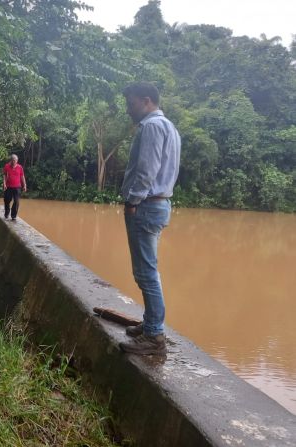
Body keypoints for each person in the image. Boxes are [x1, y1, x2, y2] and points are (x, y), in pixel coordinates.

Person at [118, 82, 181, 356]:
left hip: (145, 206)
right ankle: (149, 325)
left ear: (146, 101)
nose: (127, 109)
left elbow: (146, 170)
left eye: (130, 103)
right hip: (156, 205)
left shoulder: (152, 127)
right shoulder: (169, 127)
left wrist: (133, 201)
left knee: (146, 272)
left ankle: (154, 335)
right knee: (147, 270)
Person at [2, 154, 27, 221]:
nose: (14, 162)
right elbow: (4, 175)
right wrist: (4, 184)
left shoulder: (20, 167)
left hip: (17, 187)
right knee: (7, 200)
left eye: (15, 160)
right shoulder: (7, 166)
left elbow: (22, 176)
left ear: (17, 161)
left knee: (16, 201)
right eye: (13, 160)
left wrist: (24, 185)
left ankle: (13, 216)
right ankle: (7, 213)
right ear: (11, 160)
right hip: (8, 187)